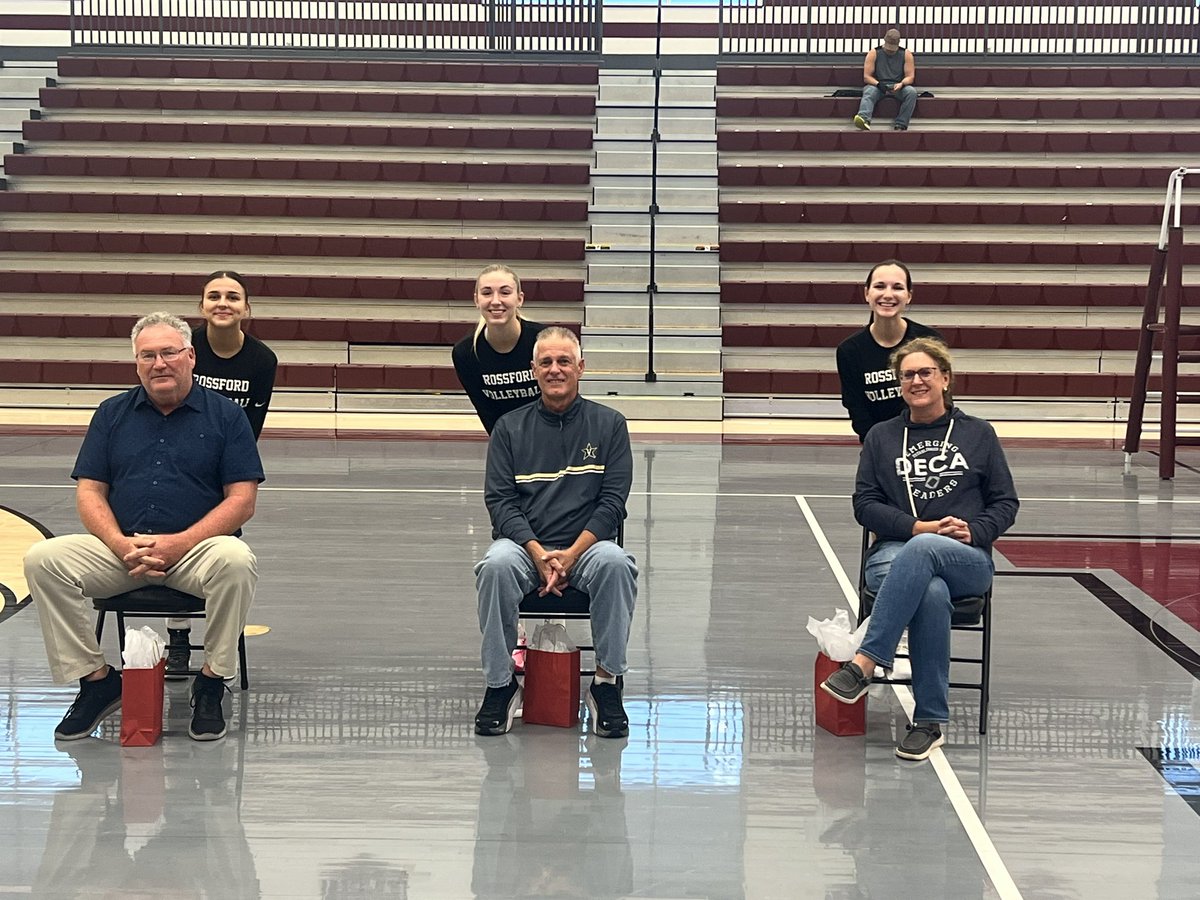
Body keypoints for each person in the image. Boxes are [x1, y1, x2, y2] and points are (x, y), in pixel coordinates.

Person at [23, 311, 264, 742]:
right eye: (147, 355)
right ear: (137, 363)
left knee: (236, 559)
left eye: (169, 352)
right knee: (43, 559)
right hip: (123, 552)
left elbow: (242, 501)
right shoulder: (111, 413)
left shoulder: (227, 417)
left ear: (190, 357)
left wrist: (180, 543)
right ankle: (97, 682)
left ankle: (211, 681)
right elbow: (90, 492)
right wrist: (118, 544)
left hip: (197, 551)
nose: (159, 363)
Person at [820, 338, 1018, 761]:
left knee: (928, 551)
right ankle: (929, 722)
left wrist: (974, 530)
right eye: (907, 374)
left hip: (968, 559)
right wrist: (918, 528)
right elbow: (865, 505)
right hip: (892, 556)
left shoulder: (978, 434)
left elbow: (1006, 503)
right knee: (929, 588)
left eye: (925, 372)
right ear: (899, 384)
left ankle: (864, 664)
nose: (916, 380)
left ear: (945, 378)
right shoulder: (881, 437)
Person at [473, 326, 638, 738]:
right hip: (525, 549)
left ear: (581, 368)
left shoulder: (611, 425)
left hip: (587, 550)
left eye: (564, 361)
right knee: (493, 565)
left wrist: (570, 555)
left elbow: (612, 504)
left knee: (618, 564)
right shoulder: (509, 429)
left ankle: (605, 684)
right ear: (533, 369)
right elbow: (500, 503)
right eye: (545, 361)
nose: (555, 369)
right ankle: (501, 683)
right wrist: (537, 553)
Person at [167, 270, 276, 678]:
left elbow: (252, 428)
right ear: (201, 307)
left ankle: (219, 645)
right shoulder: (182, 348)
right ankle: (177, 635)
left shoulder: (262, 360)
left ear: (246, 308)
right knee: (167, 532)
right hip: (175, 460)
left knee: (222, 553)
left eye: (233, 296)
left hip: (223, 466)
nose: (223, 303)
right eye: (214, 296)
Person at [836, 260, 942, 443]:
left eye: (897, 287)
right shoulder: (849, 351)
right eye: (879, 286)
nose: (888, 294)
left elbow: (941, 398)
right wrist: (880, 446)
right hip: (879, 444)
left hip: (928, 440)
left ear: (909, 296)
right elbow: (856, 409)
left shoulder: (929, 340)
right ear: (866, 293)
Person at [451, 264, 546, 435]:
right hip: (508, 442)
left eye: (505, 292)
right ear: (476, 300)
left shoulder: (544, 340)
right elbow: (487, 414)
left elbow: (563, 399)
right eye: (487, 293)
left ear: (520, 299)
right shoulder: (465, 354)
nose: (495, 301)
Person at [853, 28, 917, 131]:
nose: (890, 50)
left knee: (911, 92)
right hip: (878, 86)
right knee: (869, 91)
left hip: (898, 86)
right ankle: (864, 118)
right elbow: (867, 76)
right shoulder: (874, 52)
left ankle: (901, 124)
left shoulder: (906, 54)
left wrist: (901, 84)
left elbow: (910, 76)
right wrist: (878, 84)